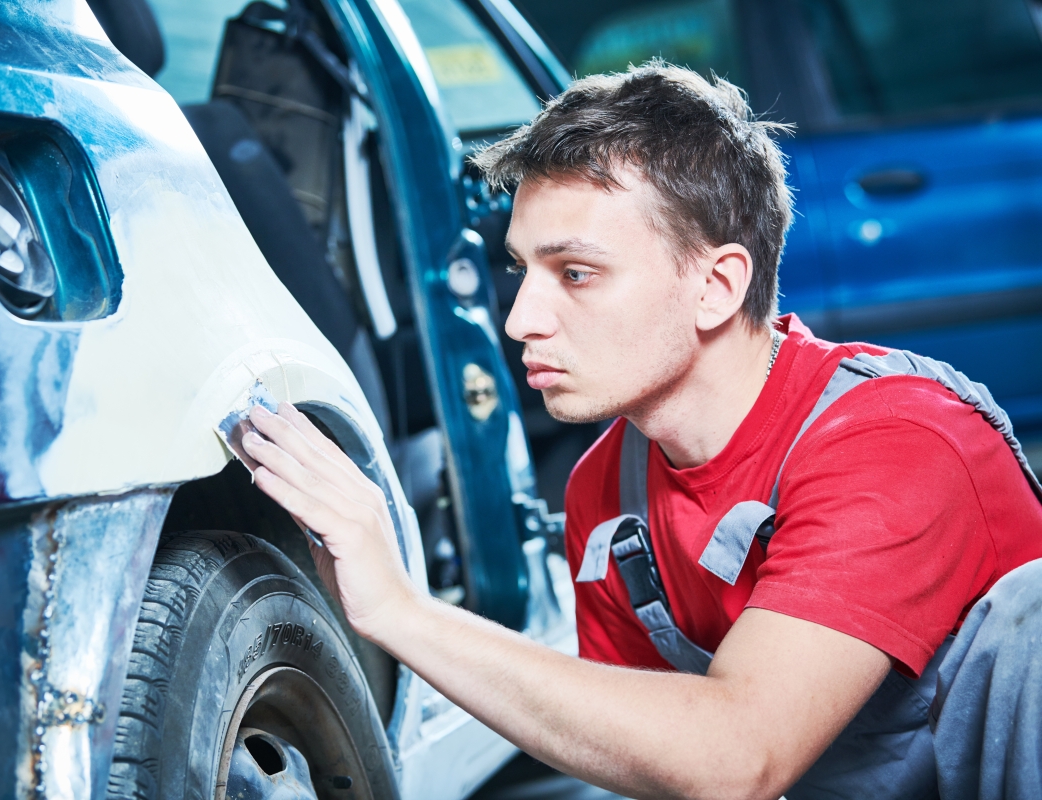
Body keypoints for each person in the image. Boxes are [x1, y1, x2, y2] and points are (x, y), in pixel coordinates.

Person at [236, 62, 1042, 799]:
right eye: (522, 271)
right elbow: (656, 764)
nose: (519, 319)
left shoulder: (897, 441)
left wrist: (401, 611)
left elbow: (736, 757)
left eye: (576, 273)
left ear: (717, 286)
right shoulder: (609, 496)